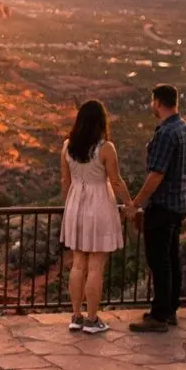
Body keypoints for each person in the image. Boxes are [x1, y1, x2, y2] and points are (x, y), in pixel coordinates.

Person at [127, 83, 186, 332]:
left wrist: (136, 203)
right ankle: (169, 309)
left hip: (163, 206)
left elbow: (156, 174)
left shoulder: (166, 133)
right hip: (179, 205)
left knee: (159, 261)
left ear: (157, 102)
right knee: (171, 258)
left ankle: (159, 316)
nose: (151, 106)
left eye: (152, 101)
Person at [60, 99, 133, 335]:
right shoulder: (106, 148)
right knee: (95, 267)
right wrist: (130, 204)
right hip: (99, 205)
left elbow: (65, 181)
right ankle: (92, 320)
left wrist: (69, 206)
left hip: (75, 205)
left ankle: (76, 316)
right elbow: (116, 181)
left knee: (78, 263)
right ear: (101, 122)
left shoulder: (67, 146)